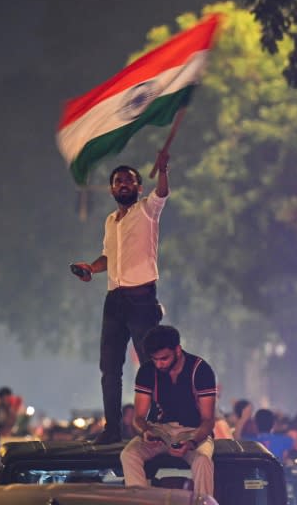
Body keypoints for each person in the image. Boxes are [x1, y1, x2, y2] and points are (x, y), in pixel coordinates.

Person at [71, 152, 169, 444]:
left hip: (141, 299)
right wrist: (91, 268)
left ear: (139, 187)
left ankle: (154, 423)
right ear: (112, 189)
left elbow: (162, 192)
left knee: (152, 364)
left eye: (129, 180)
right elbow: (108, 256)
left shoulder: (147, 210)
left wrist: (163, 169)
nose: (123, 184)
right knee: (109, 367)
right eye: (117, 181)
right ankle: (112, 428)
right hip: (114, 300)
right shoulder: (110, 221)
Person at [120, 325, 217, 496]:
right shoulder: (147, 371)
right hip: (159, 430)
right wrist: (145, 432)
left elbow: (208, 420)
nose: (159, 364)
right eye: (155, 359)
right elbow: (139, 417)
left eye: (164, 358)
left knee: (202, 461)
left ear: (178, 350)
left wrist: (192, 442)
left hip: (194, 431)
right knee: (129, 455)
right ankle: (141, 501)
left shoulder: (200, 370)